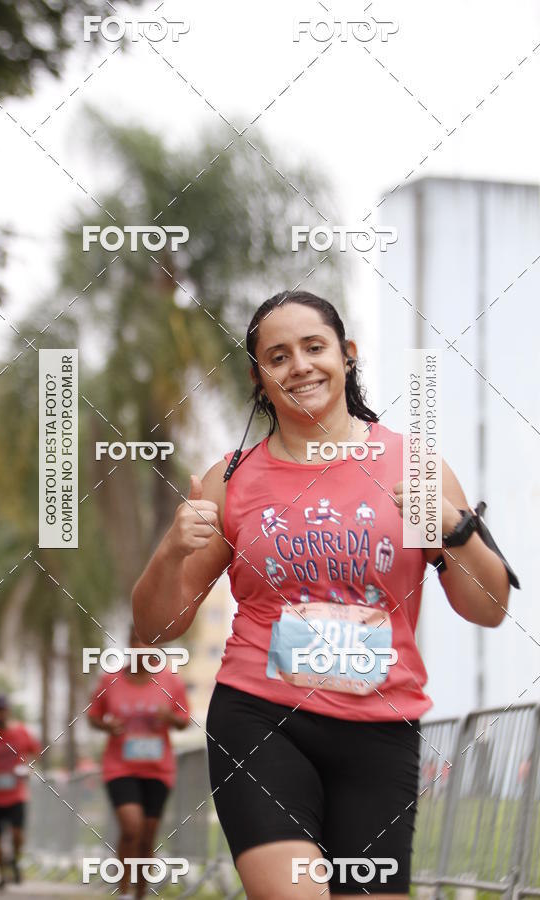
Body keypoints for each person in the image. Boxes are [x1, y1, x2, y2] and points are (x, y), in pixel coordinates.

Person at [131, 290, 517, 899]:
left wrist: (455, 529)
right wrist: (171, 549)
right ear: (259, 378)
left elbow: (488, 609)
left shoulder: (411, 466)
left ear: (347, 354)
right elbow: (156, 626)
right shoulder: (231, 479)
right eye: (278, 356)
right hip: (260, 718)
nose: (300, 366)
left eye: (314, 347)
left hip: (380, 728)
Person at [87, 626, 190, 900]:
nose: (142, 648)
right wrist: (108, 726)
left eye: (148, 643)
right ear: (129, 645)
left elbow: (184, 720)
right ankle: (123, 891)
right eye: (136, 641)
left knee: (147, 836)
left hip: (158, 769)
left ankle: (140, 893)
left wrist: (169, 718)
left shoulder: (171, 681)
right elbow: (93, 716)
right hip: (120, 766)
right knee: (131, 827)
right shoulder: (110, 680)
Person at [0, 694, 41, 889]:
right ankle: (1, 873)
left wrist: (28, 768)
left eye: (3, 710)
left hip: (16, 794)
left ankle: (14, 861)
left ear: (9, 711)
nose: (1, 714)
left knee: (17, 834)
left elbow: (35, 752)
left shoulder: (21, 731)